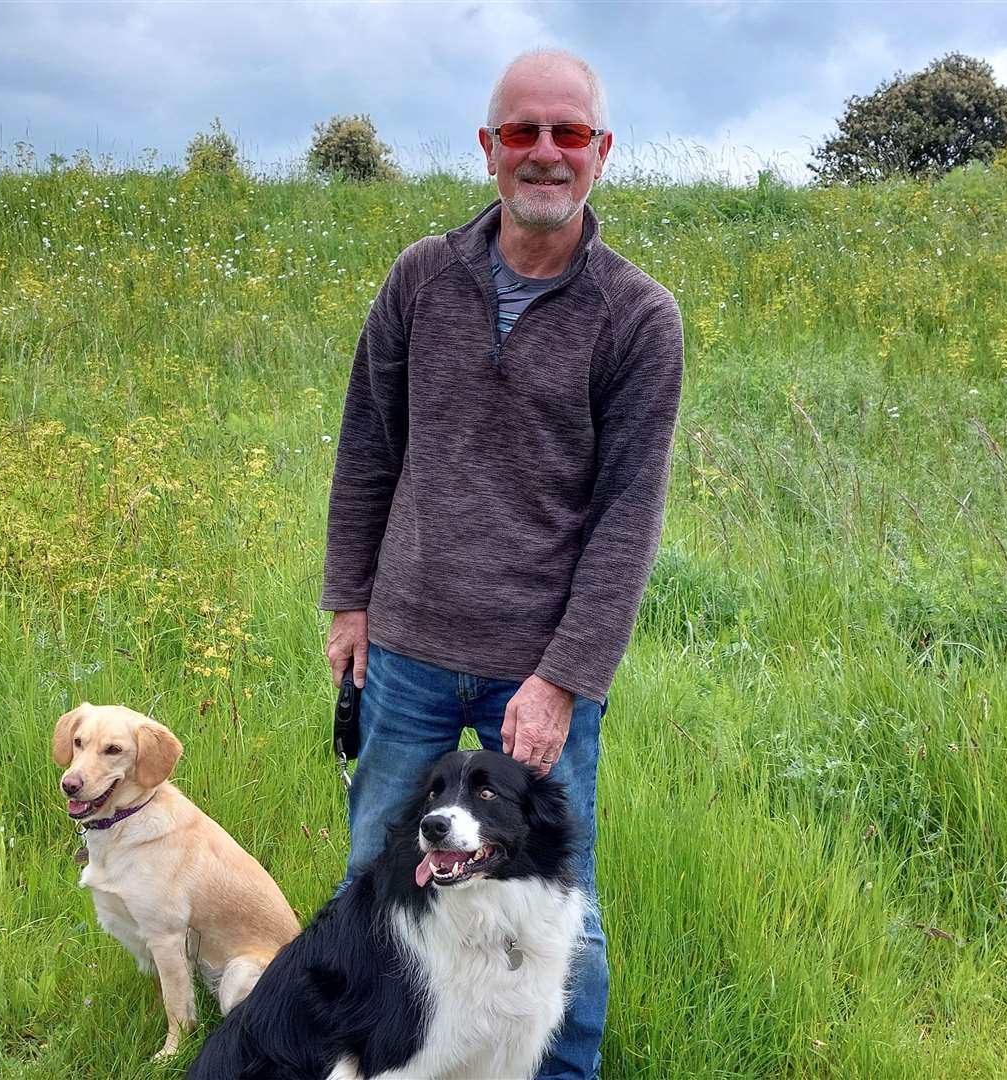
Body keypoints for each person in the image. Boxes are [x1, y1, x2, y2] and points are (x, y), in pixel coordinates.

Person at [320, 47, 683, 1080]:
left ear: (600, 152)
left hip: (541, 669)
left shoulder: (638, 318)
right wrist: (350, 600)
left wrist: (562, 680)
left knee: (557, 908)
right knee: (378, 886)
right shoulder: (418, 281)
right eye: (521, 131)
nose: (544, 152)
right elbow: (368, 449)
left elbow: (626, 521)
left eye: (567, 133)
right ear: (487, 147)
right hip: (408, 653)